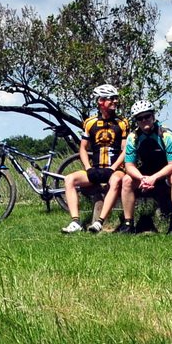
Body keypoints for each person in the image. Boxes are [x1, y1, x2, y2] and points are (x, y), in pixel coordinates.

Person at [62, 84, 129, 233]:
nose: (115, 102)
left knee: (116, 180)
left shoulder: (122, 123)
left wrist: (113, 168)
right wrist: (88, 168)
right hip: (96, 168)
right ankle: (75, 222)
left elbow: (125, 150)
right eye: (112, 99)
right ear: (101, 101)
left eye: (116, 98)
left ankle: (99, 222)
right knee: (69, 179)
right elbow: (83, 148)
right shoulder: (90, 123)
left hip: (115, 168)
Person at [114, 100, 172, 233]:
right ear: (136, 121)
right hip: (146, 172)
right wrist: (142, 178)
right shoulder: (133, 138)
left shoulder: (166, 135)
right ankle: (128, 224)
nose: (144, 120)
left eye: (147, 116)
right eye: (140, 118)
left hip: (166, 170)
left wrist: (154, 178)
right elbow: (129, 165)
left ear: (153, 116)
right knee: (127, 180)